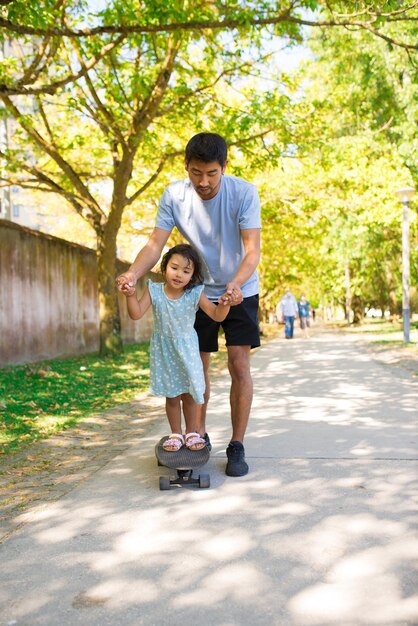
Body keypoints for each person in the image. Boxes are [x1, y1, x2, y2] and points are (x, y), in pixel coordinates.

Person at [116, 132, 261, 477]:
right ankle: (199, 435)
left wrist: (236, 285)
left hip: (239, 287)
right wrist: (134, 274)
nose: (204, 181)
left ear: (224, 167)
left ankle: (237, 445)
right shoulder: (174, 196)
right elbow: (155, 245)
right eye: (196, 172)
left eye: (211, 173)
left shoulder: (243, 193)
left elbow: (252, 250)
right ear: (187, 167)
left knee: (239, 365)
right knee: (197, 366)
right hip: (195, 292)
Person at [123, 244, 230, 452]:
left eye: (186, 271)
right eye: (174, 267)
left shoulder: (195, 294)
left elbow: (217, 315)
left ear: (193, 276)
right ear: (165, 268)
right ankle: (175, 434)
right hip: (165, 351)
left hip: (188, 350)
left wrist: (225, 303)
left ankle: (191, 433)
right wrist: (130, 295)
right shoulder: (154, 290)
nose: (179, 274)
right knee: (172, 395)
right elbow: (136, 314)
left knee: (189, 394)